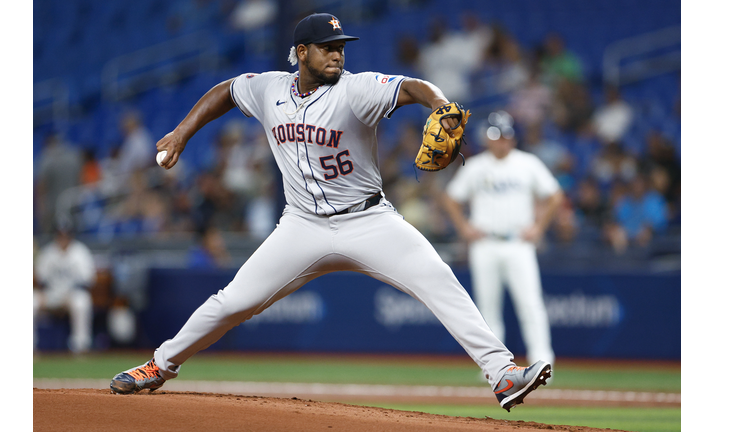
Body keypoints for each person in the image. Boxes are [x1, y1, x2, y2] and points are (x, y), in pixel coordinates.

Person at [109, 13, 551, 412]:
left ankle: (503, 374)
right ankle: (159, 366)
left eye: (341, 47)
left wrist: (442, 109)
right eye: (328, 47)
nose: (338, 55)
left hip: (369, 220)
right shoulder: (270, 89)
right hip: (300, 226)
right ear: (302, 52)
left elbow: (413, 87)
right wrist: (183, 132)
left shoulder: (357, 90)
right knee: (231, 303)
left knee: (440, 282)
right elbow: (227, 90)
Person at [441, 111, 563, 372]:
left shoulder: (527, 163)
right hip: (485, 243)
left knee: (530, 305)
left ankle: (543, 364)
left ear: (513, 138)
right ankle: (493, 368)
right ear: (487, 138)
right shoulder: (476, 166)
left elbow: (554, 195)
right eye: (496, 137)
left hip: (518, 243)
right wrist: (464, 227)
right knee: (487, 309)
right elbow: (451, 198)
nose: (501, 142)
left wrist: (539, 227)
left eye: (506, 136)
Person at [33, 220, 96, 354]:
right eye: (60, 235)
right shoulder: (48, 252)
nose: (63, 238)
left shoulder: (80, 252)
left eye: (66, 235)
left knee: (82, 302)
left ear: (71, 236)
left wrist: (69, 295)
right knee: (31, 301)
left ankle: (80, 346)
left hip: (72, 294)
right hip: (52, 294)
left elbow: (88, 281)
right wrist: (43, 294)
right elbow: (40, 279)